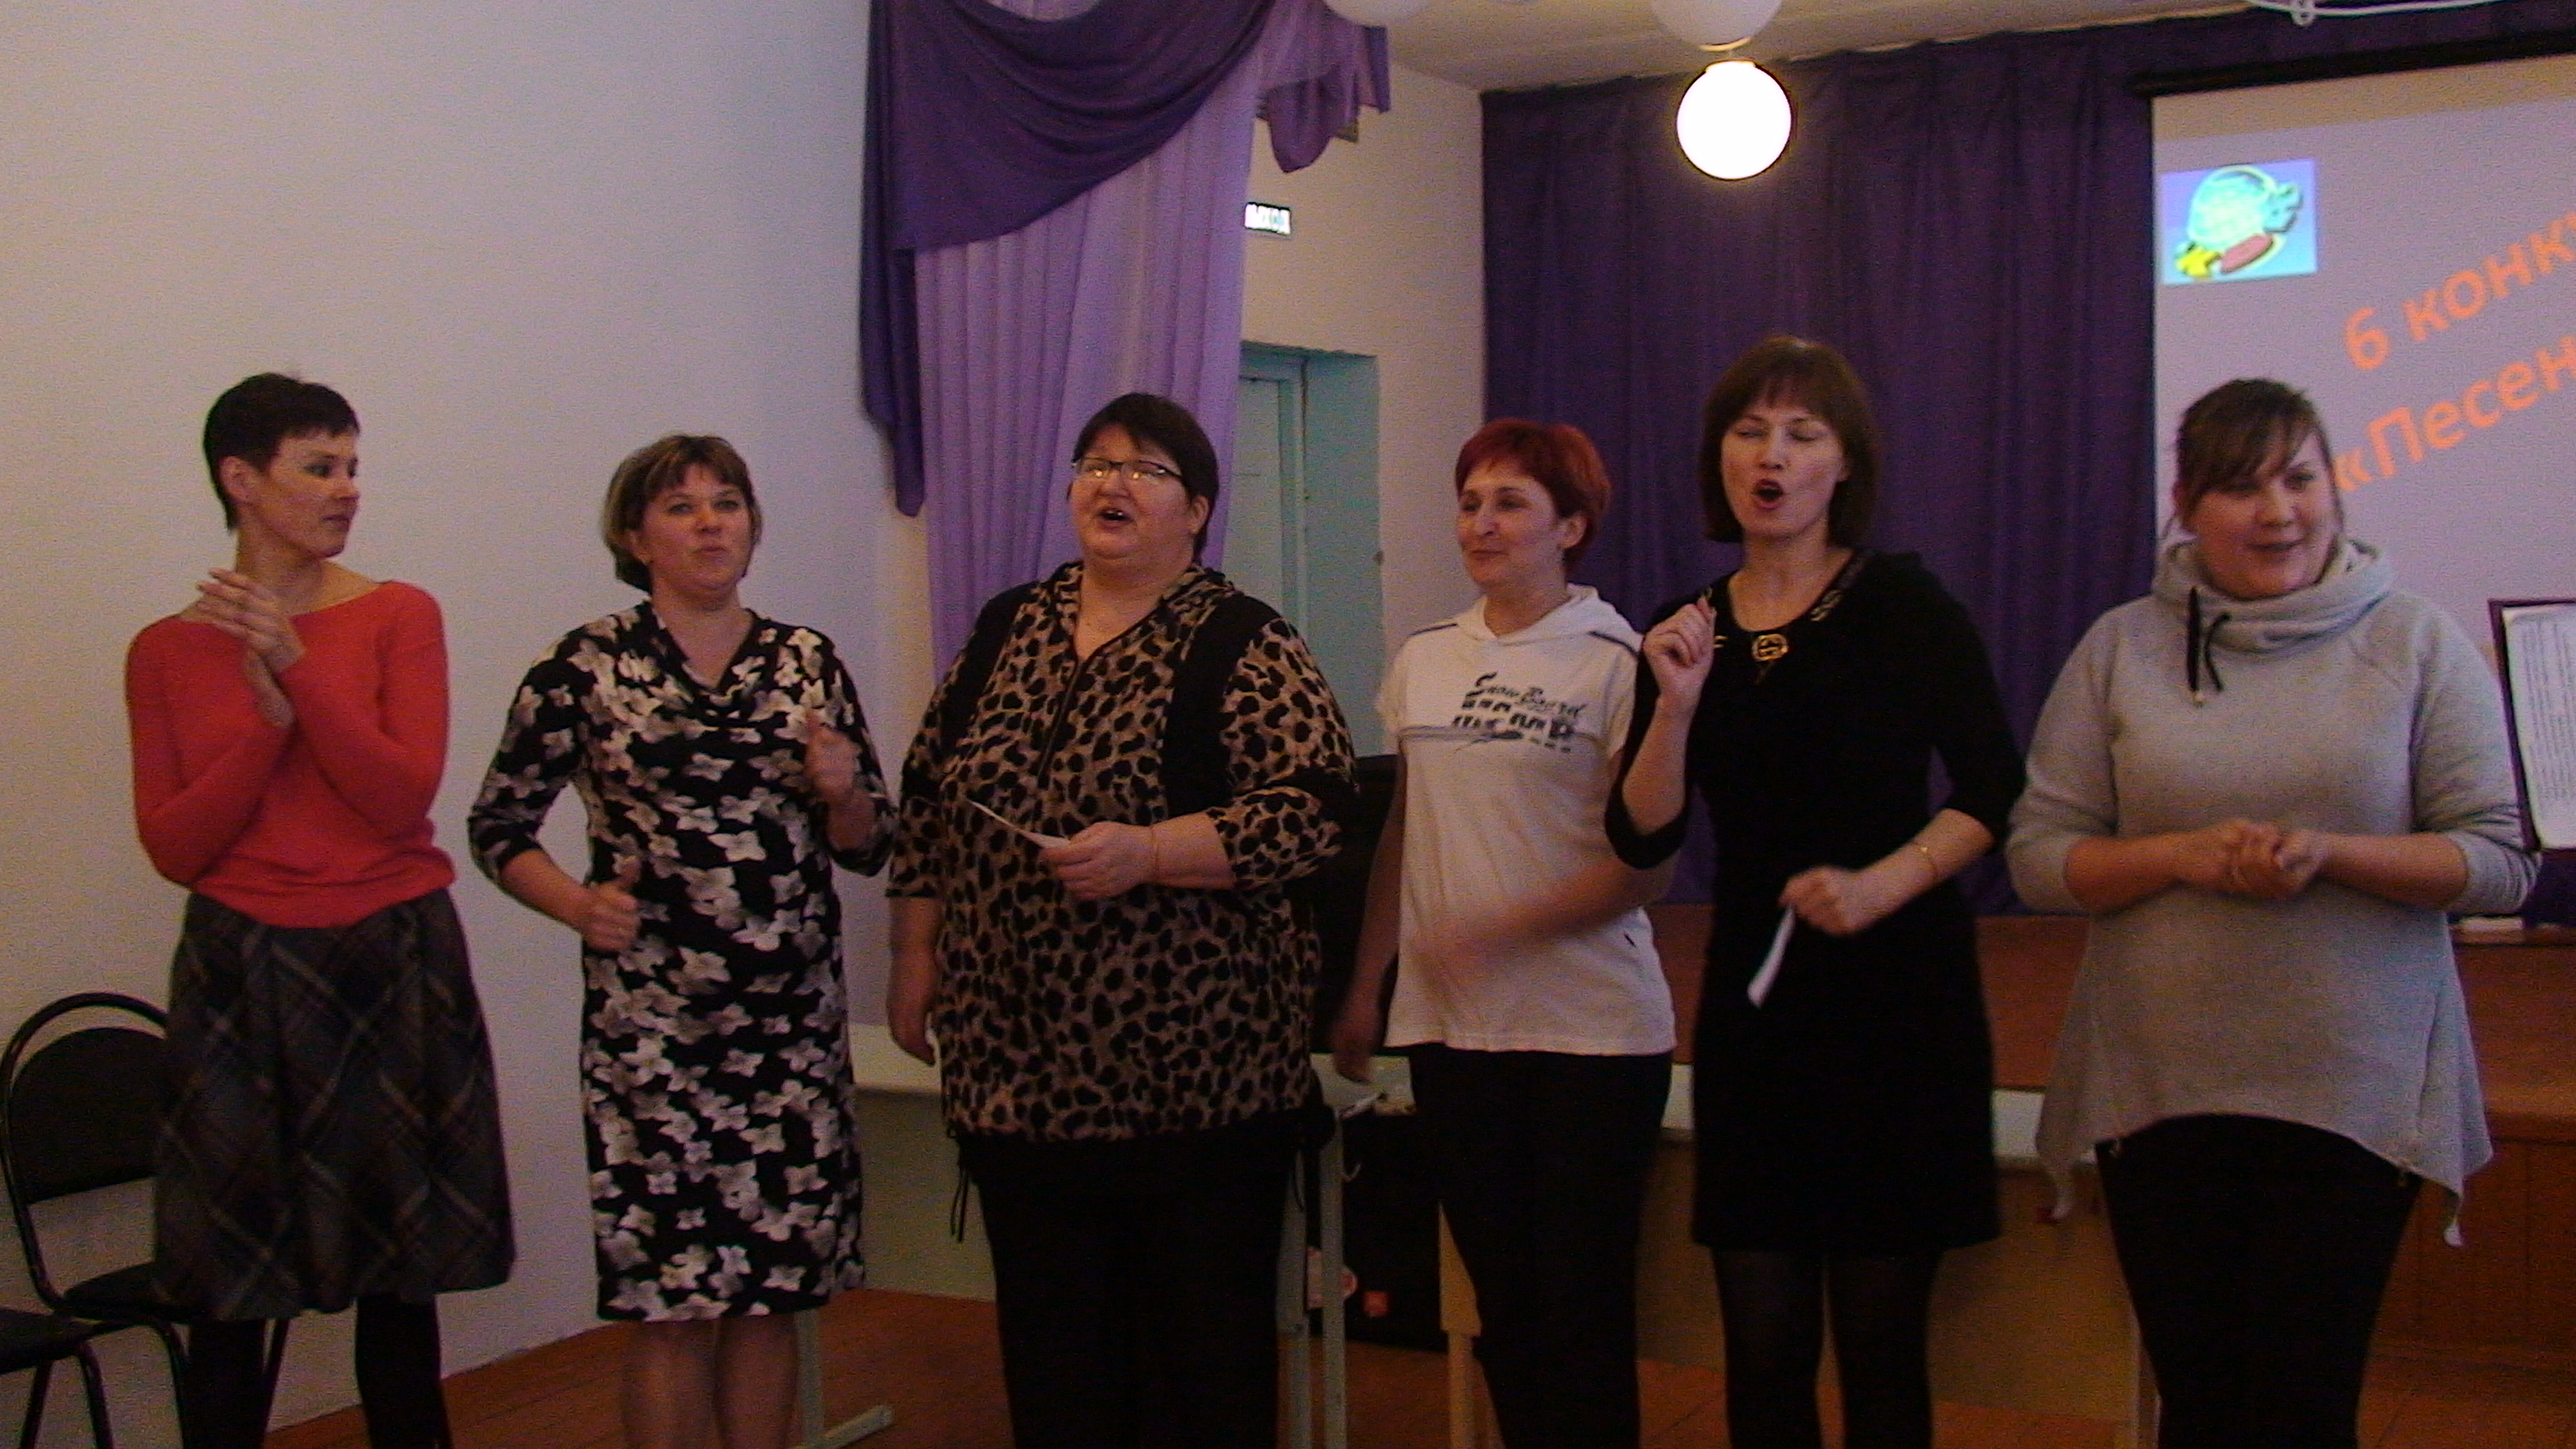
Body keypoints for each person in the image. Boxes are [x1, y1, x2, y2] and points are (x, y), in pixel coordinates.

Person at [2008, 378, 2534, 1449]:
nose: (2278, 512)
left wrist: (2331, 852)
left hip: (2351, 1092)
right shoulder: (2119, 647)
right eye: (2240, 488)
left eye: (2299, 479)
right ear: (2185, 505)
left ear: (2334, 485)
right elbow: (2039, 860)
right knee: (2199, 1407)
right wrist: (2179, 855)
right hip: (2161, 1088)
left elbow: (2497, 861)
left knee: (2301, 1409)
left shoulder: (2413, 641)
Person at [886, 392, 1355, 1449]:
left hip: (1193, 1087)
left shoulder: (1242, 640)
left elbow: (1315, 814)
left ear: (1196, 510)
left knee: (1201, 1362)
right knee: (1057, 1359)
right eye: (1095, 464)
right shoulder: (1010, 626)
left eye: (1144, 470)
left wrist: (1150, 851)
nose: (1112, 484)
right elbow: (927, 798)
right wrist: (913, 950)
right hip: (1016, 1079)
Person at [1607, 336, 2023, 1449]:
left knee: (1881, 1353)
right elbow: (1641, 830)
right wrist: (1675, 703)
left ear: (1844, 464)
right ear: (1720, 458)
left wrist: (1885, 883)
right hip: (1757, 1011)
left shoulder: (1903, 603)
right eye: (1749, 433)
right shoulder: (1687, 622)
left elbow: (1995, 786)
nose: (1772, 455)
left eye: (1801, 434)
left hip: (1899, 1005)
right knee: (1762, 1348)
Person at [467, 435, 890, 1449]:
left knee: (771, 1295)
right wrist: (576, 906)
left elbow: (874, 842)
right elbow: (497, 825)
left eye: (728, 502)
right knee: (673, 1305)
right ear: (634, 536)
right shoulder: (585, 664)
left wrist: (842, 794)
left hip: (788, 1029)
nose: (710, 524)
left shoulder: (806, 661)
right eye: (682, 507)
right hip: (653, 1035)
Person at [126, 374, 513, 1449]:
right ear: (241, 480)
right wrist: (263, 728)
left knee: (400, 1282)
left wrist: (296, 671)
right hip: (241, 962)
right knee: (228, 1287)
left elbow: (398, 799)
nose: (347, 488)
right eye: (319, 466)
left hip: (391, 949)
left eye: (352, 466)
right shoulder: (165, 649)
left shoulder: (397, 613)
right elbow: (175, 848)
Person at [1329, 419, 1674, 1448]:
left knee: (1581, 1315)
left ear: (1571, 526)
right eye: (1470, 502)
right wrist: (1367, 985)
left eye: (1510, 503)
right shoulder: (1425, 658)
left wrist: (1498, 927)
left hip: (1590, 1036)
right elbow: (1405, 830)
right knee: (1506, 1315)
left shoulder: (1618, 661)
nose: (1480, 522)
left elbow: (1647, 868)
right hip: (1452, 1031)